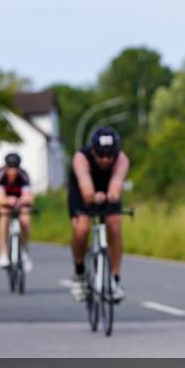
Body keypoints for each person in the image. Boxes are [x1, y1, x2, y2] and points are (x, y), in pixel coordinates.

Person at [68, 126, 130, 302]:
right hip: (82, 192)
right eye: (101, 155)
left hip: (107, 190)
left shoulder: (122, 159)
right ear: (93, 150)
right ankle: (79, 274)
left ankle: (114, 280)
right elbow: (86, 190)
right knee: (81, 229)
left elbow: (116, 186)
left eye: (110, 155)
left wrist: (111, 195)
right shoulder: (81, 157)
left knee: (115, 225)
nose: (105, 160)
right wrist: (93, 196)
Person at [0, 153, 34, 271]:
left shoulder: (24, 175)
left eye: (15, 168)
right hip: (5, 200)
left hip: (20, 201)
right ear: (5, 167)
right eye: (10, 168)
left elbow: (29, 198)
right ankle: (3, 253)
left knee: (25, 218)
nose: (13, 171)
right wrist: (8, 200)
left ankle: (25, 252)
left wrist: (21, 200)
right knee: (4, 216)